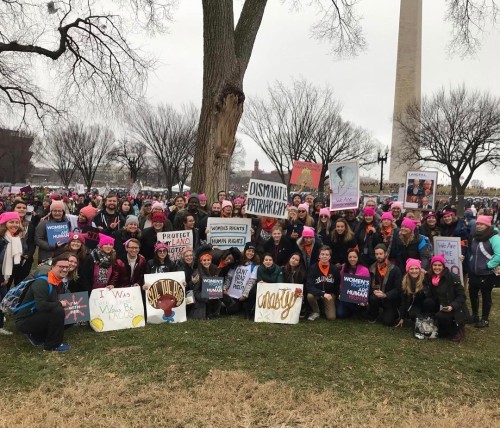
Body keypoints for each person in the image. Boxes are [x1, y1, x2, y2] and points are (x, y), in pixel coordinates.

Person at [14, 253, 72, 351]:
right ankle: (52, 345)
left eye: (67, 267)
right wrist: (60, 304)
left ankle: (39, 336)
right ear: (53, 267)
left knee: (69, 314)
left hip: (37, 316)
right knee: (58, 310)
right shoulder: (42, 282)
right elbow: (40, 305)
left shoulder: (58, 281)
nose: (65, 269)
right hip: (25, 320)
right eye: (61, 266)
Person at [423, 254, 467, 342]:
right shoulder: (429, 276)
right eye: (434, 265)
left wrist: (452, 306)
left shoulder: (452, 277)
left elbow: (462, 296)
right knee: (428, 302)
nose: (437, 267)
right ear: (431, 266)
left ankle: (458, 329)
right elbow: (429, 294)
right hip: (440, 304)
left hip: (453, 307)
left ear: (443, 266)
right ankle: (434, 323)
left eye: (439, 265)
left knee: (441, 317)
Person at [467, 215, 500, 328]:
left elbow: (498, 255)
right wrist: (471, 262)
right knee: (472, 294)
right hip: (474, 273)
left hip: (487, 274)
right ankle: (475, 315)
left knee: (486, 296)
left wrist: (488, 265)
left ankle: (485, 319)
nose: (479, 226)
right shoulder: (475, 237)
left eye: (482, 224)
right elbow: (473, 253)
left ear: (487, 225)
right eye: (478, 224)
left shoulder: (494, 238)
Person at [0, 211, 25, 335]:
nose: (14, 224)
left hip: (4, 275)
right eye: (11, 222)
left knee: (3, 299)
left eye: (17, 222)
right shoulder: (2, 239)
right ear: (4, 223)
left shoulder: (14, 238)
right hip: (1, 275)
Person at [367, 244, 402, 326]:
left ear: (386, 254)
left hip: (389, 299)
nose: (379, 256)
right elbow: (368, 285)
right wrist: (374, 291)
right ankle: (374, 314)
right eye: (376, 254)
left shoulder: (395, 269)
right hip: (376, 297)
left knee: (388, 322)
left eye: (381, 254)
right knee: (372, 298)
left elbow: (398, 289)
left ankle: (395, 312)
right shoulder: (371, 268)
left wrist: (385, 295)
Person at [223, 242, 259, 319]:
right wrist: (225, 288)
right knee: (231, 310)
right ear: (245, 251)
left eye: (252, 251)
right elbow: (229, 277)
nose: (250, 253)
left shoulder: (255, 266)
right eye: (249, 250)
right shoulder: (237, 262)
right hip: (232, 292)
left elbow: (251, 282)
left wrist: (245, 295)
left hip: (242, 294)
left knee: (238, 308)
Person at [305, 246, 341, 321]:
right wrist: (322, 293)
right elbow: (309, 286)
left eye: (327, 255)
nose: (324, 256)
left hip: (329, 294)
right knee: (310, 296)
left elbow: (337, 285)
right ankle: (316, 312)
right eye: (322, 254)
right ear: (319, 256)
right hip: (317, 293)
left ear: (330, 257)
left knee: (331, 317)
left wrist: (335, 295)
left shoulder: (334, 269)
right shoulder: (313, 268)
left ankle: (324, 307)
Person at [336, 248, 370, 319]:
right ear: (347, 258)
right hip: (346, 297)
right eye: (350, 257)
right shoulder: (343, 268)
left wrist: (363, 299)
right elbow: (341, 284)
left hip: (359, 299)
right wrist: (341, 294)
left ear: (358, 258)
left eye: (354, 257)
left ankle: (360, 310)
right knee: (340, 314)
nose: (352, 259)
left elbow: (366, 287)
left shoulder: (365, 270)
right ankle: (352, 311)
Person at [395, 258, 426, 327]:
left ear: (419, 269)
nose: (414, 271)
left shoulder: (425, 279)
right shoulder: (404, 282)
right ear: (408, 270)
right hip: (413, 305)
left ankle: (428, 318)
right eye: (411, 269)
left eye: (416, 268)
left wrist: (417, 295)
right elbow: (403, 300)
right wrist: (402, 318)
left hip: (424, 304)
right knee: (413, 314)